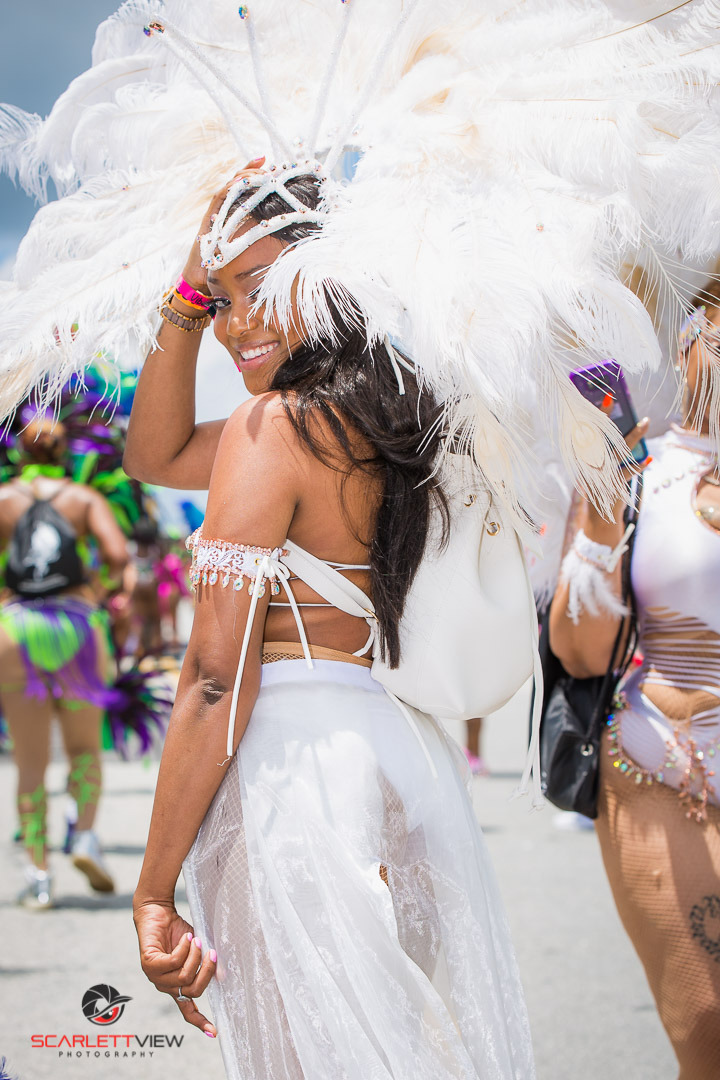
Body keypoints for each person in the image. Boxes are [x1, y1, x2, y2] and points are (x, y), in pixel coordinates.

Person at [127, 164, 535, 1078]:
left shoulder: (271, 430)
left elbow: (214, 678)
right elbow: (153, 454)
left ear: (332, 276)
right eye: (219, 297)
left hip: (296, 774)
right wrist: (194, 293)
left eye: (260, 289)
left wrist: (154, 891)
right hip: (407, 764)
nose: (237, 323)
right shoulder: (410, 420)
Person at [549, 285, 720, 1078]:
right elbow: (580, 654)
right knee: (708, 1031)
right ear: (688, 344)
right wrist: (608, 498)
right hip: (664, 769)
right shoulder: (642, 470)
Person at [0, 416, 129, 908]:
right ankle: (86, 836)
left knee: (30, 764)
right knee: (83, 751)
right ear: (64, 452)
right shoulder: (84, 499)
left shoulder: (4, 500)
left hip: (17, 630)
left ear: (20, 452)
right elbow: (118, 557)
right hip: (77, 627)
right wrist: (94, 596)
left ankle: (38, 876)